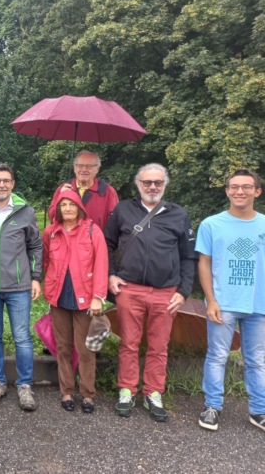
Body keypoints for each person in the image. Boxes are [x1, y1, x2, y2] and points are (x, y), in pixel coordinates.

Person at [105, 163, 196, 422]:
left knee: (159, 345)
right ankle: (126, 390)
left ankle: (153, 392)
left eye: (158, 182)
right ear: (138, 184)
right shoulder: (123, 209)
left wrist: (184, 291)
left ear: (165, 185)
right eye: (147, 182)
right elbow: (107, 244)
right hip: (129, 288)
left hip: (166, 291)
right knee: (129, 343)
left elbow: (188, 256)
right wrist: (110, 274)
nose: (152, 187)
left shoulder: (178, 214)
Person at [196, 169, 265, 432]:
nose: (239, 191)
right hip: (223, 303)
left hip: (259, 304)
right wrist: (211, 300)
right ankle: (212, 407)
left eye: (246, 187)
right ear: (227, 191)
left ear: (257, 191)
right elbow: (204, 263)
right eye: (234, 187)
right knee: (217, 356)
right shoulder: (211, 224)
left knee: (257, 360)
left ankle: (259, 411)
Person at [0, 163, 42, 411]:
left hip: (19, 286)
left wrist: (36, 277)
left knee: (22, 337)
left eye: (6, 181)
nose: (1, 185)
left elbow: (35, 246)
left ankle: (24, 385)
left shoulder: (26, 211)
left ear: (12, 184)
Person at [42, 190, 108, 413]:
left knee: (85, 348)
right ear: (58, 209)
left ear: (79, 208)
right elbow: (45, 261)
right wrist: (48, 287)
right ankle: (67, 391)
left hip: (85, 298)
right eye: (63, 205)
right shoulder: (51, 232)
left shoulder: (92, 230)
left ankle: (88, 394)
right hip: (59, 296)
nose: (68, 209)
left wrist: (98, 297)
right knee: (63, 347)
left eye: (72, 204)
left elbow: (101, 264)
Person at [48, 150, 118, 231]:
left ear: (97, 169)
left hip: (96, 238)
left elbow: (115, 223)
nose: (84, 169)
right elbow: (52, 218)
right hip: (68, 238)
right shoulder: (63, 189)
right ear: (74, 168)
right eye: (80, 166)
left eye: (89, 166)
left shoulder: (107, 191)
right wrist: (61, 197)